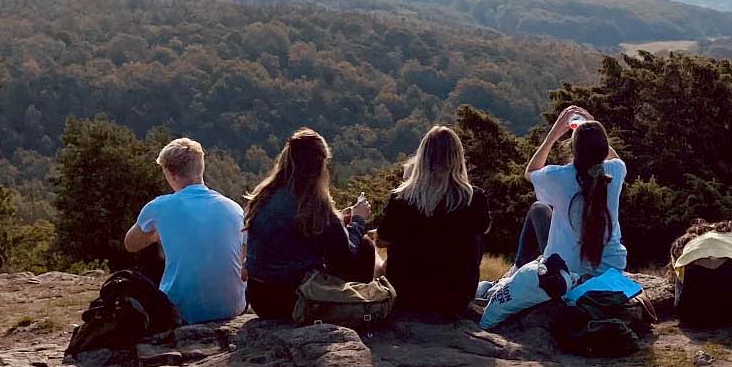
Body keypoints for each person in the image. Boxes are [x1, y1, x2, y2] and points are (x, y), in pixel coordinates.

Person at [243, 128, 376, 320]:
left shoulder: (264, 196)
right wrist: (358, 220)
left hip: (261, 299)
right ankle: (359, 311)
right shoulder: (315, 206)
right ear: (320, 165)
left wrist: (338, 220)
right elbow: (347, 256)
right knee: (365, 246)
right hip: (298, 299)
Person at [123, 138, 246, 325]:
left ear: (171, 173)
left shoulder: (159, 206)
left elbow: (130, 244)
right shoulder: (234, 208)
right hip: (232, 307)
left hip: (183, 311)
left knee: (151, 243)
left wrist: (157, 235)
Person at [376, 126, 491, 317]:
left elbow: (382, 240)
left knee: (372, 252)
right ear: (457, 158)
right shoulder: (474, 197)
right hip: (456, 299)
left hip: (406, 296)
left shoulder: (401, 198)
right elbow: (484, 228)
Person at [521, 105, 628, 277]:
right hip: (611, 268)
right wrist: (592, 131)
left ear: (573, 148)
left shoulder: (558, 176)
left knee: (538, 208)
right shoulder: (616, 171)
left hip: (566, 270)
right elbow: (612, 157)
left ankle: (517, 267)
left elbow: (530, 172)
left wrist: (553, 134)